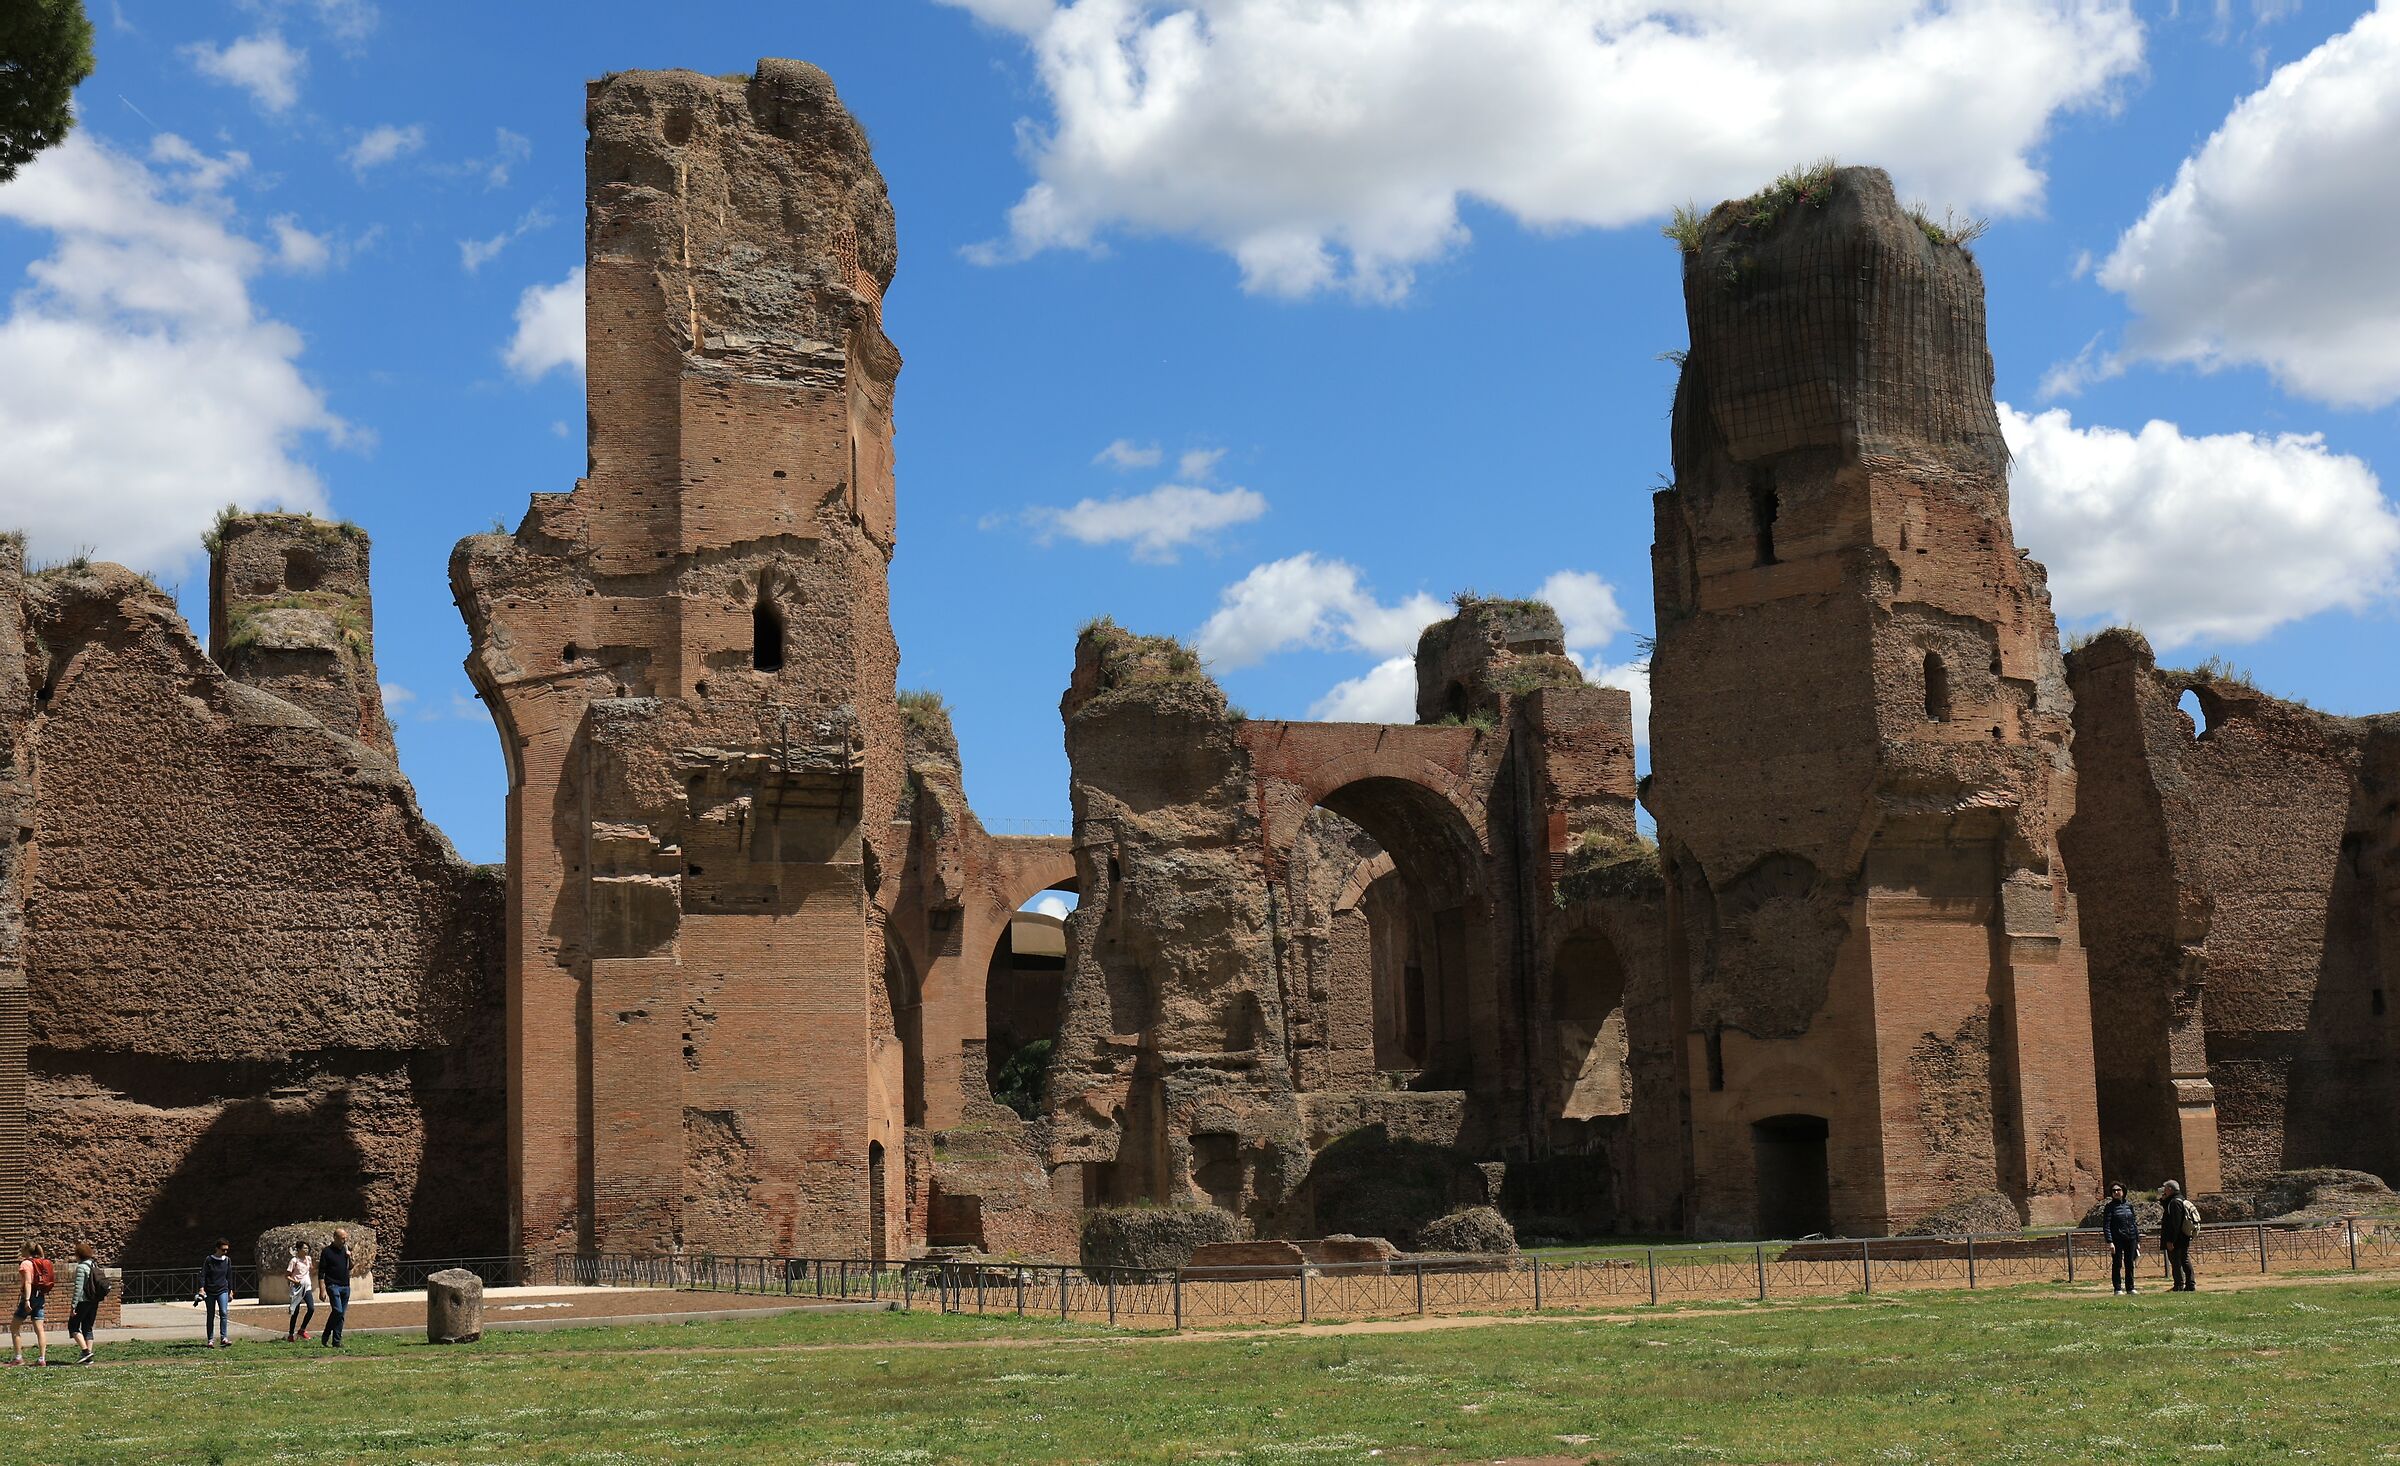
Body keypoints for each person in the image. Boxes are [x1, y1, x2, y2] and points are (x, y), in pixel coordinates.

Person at [9, 1243, 51, 1367]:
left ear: (27, 1250)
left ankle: (18, 1358)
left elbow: (28, 1282)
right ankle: (42, 1358)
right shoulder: (40, 1261)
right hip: (40, 1296)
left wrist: (26, 1299)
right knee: (40, 1329)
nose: (20, 1250)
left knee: (14, 1327)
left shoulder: (25, 1264)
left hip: (29, 1297)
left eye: (22, 1248)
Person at [65, 1242, 102, 1366]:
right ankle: (89, 1358)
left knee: (73, 1326)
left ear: (78, 1255)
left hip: (83, 1301)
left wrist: (73, 1306)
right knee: (88, 1327)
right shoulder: (94, 1264)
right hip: (94, 1301)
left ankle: (86, 1352)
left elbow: (78, 1288)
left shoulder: (81, 1267)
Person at [2160, 1179, 2200, 1292]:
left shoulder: (2174, 1202)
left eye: (2165, 1189)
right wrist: (2163, 1200)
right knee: (2183, 1260)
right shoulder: (2178, 1200)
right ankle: (2189, 1284)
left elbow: (2175, 1223)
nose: (2164, 1191)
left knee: (2177, 1261)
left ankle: (2179, 1285)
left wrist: (2171, 1240)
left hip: (2178, 1238)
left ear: (2170, 1189)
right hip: (2183, 1236)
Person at [2101, 1183, 2141, 1294]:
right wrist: (2110, 1242)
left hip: (2130, 1237)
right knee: (2117, 1264)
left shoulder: (2129, 1205)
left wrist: (2137, 1240)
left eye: (2118, 1190)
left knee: (2129, 1264)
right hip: (2117, 1239)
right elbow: (2106, 1225)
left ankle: (2130, 1288)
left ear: (2123, 1191)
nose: (2116, 1192)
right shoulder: (2109, 1207)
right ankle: (2117, 1288)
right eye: (2113, 1191)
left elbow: (2134, 1223)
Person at [318, 1229, 352, 1348]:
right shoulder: (327, 1252)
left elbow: (350, 1267)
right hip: (333, 1285)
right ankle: (326, 1333)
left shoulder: (346, 1250)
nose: (345, 1240)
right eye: (342, 1238)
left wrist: (349, 1257)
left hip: (345, 1286)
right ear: (335, 1238)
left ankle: (336, 1341)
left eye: (345, 1238)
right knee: (337, 1310)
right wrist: (322, 1290)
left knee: (341, 1314)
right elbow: (321, 1272)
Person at [200, 1238, 236, 1350]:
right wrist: (201, 1288)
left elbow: (229, 1276)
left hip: (223, 1290)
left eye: (227, 1250)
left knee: (224, 1313)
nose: (225, 1252)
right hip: (210, 1290)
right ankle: (210, 1339)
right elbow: (203, 1274)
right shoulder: (209, 1260)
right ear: (217, 1248)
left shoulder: (227, 1260)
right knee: (210, 1315)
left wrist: (231, 1290)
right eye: (223, 1249)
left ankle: (223, 1337)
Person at [284, 1241, 315, 1342]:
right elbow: (287, 1275)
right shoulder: (294, 1261)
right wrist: (295, 1281)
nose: (306, 1250)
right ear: (299, 1250)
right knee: (295, 1312)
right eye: (304, 1248)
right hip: (297, 1288)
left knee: (311, 1308)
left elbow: (311, 1269)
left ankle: (302, 1330)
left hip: (307, 1287)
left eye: (307, 1248)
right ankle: (291, 1334)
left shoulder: (308, 1259)